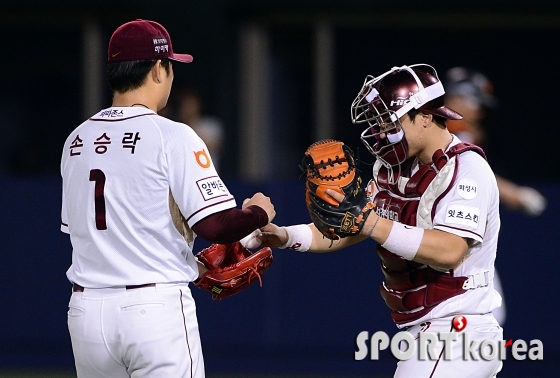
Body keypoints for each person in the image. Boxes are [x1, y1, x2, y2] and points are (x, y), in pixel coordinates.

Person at [60, 19, 275, 377]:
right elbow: (215, 225)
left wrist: (192, 266)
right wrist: (256, 212)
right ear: (159, 68)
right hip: (153, 312)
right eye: (171, 65)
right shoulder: (172, 135)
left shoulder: (76, 141)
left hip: (87, 315)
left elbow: (102, 235)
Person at [260, 64, 503, 377]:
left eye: (389, 120)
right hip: (425, 331)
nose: (380, 131)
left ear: (426, 116)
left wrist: (371, 223)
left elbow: (450, 250)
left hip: (458, 330)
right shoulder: (392, 167)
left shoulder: (466, 168)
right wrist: (283, 236)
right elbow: (351, 226)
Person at [444, 66, 547, 217]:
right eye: (478, 104)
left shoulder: (454, 130)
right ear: (457, 99)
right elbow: (466, 170)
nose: (480, 113)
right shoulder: (451, 132)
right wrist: (513, 193)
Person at [172, 87, 225, 171]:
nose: (187, 109)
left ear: (198, 106)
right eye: (185, 105)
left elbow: (213, 146)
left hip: (207, 176)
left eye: (190, 105)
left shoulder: (210, 124)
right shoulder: (174, 128)